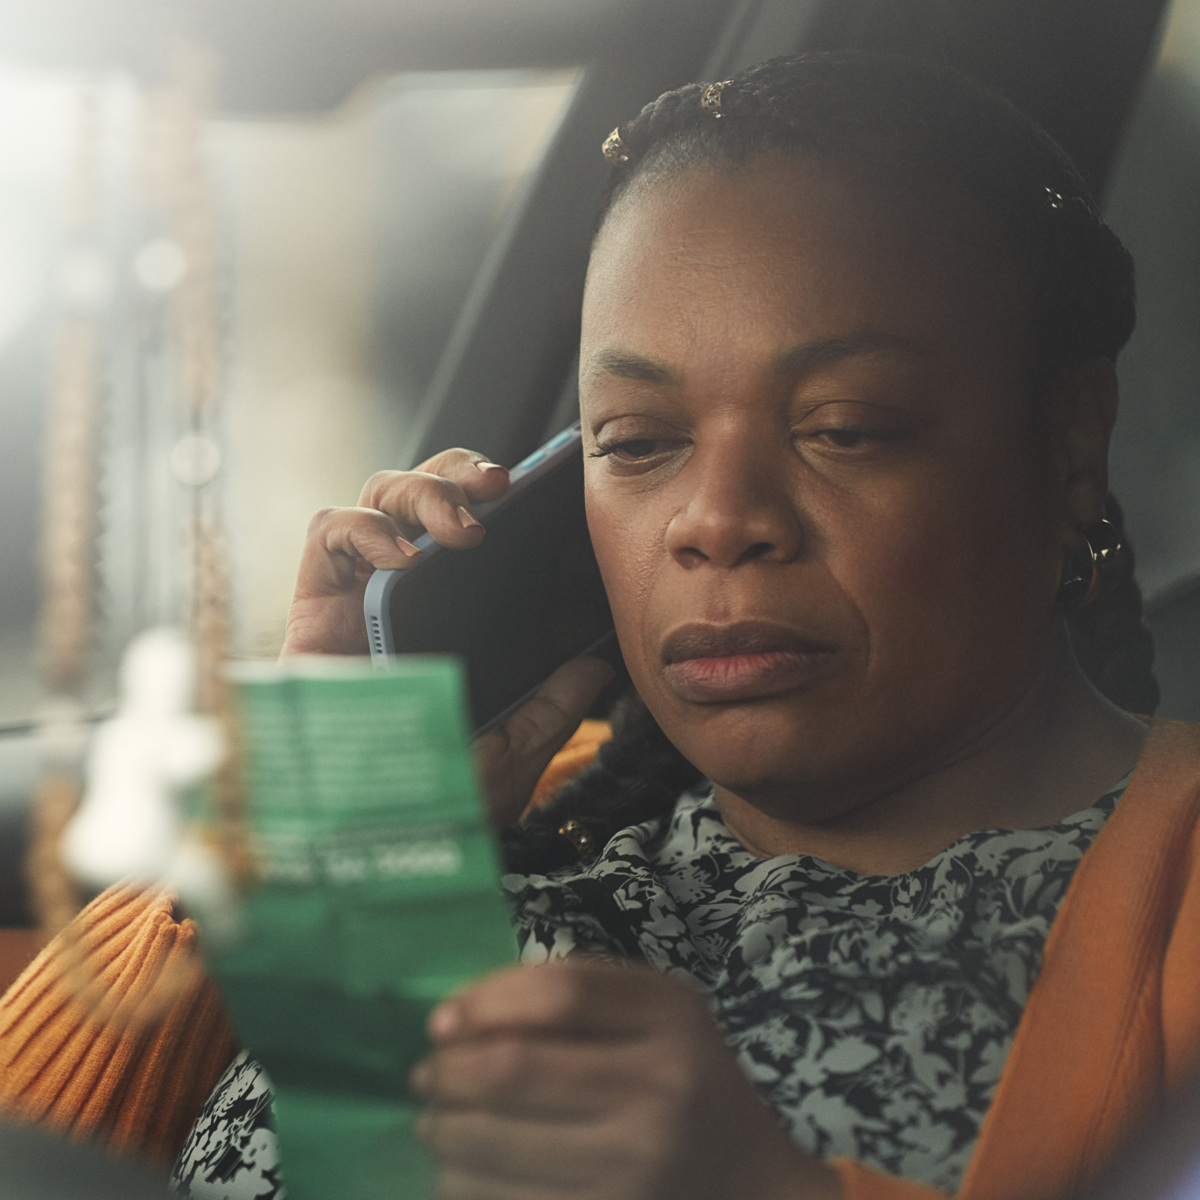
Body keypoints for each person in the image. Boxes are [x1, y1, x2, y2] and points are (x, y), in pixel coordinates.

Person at [8, 49, 1200, 1200]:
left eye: (844, 426)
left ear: (1069, 445)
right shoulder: (510, 824)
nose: (716, 521)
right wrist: (309, 816)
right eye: (637, 443)